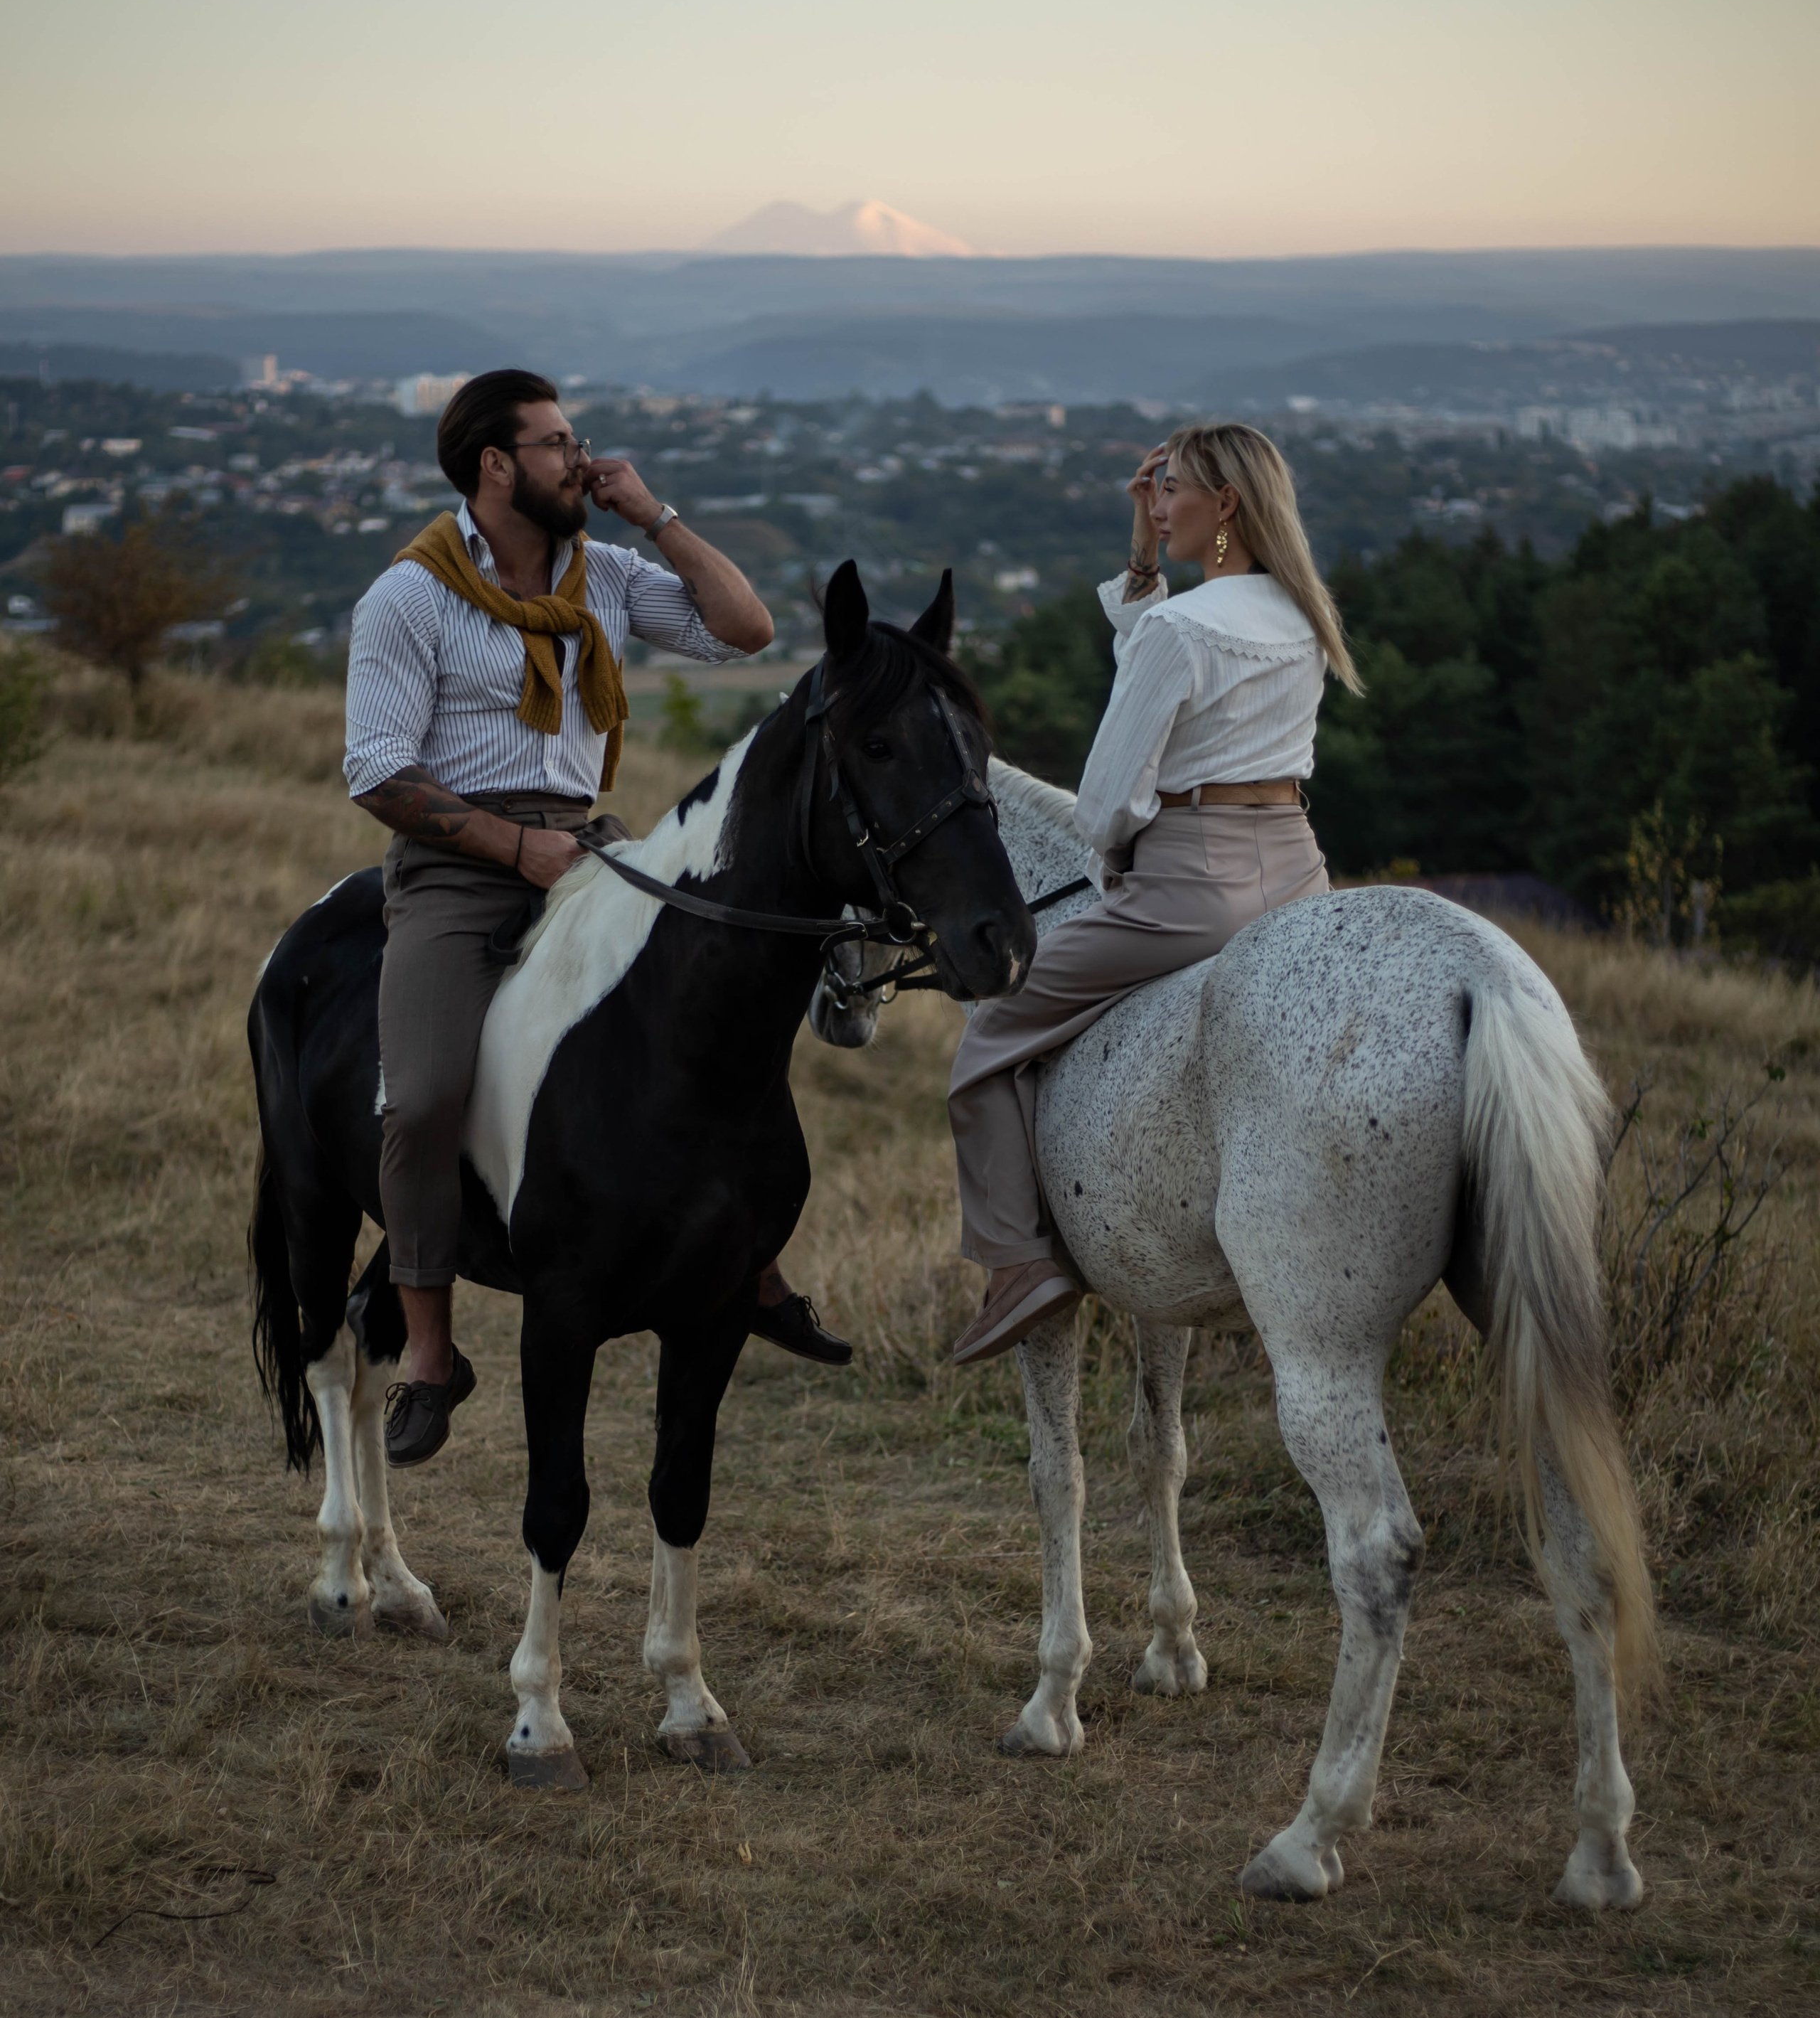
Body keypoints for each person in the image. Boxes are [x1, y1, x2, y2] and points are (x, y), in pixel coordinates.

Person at [343, 368, 852, 1469]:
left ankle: (747, 1259)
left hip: (591, 844)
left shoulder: (608, 575)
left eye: (578, 442)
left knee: (720, 1009)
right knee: (423, 1093)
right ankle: (431, 1353)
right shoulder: (410, 596)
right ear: (496, 464)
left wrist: (652, 511)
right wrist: (511, 847)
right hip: (458, 865)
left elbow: (747, 630)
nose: (580, 458)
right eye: (559, 442)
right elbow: (378, 771)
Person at [946, 420, 1364, 1364]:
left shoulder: (1180, 629)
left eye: (1173, 489)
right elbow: (1183, 639)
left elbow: (1102, 810)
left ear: (1226, 505)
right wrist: (1144, 556)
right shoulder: (1301, 615)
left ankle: (1018, 1264)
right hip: (1299, 874)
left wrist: (1128, 858)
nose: (1159, 502)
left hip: (1192, 887)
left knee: (991, 1028)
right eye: (1157, 489)